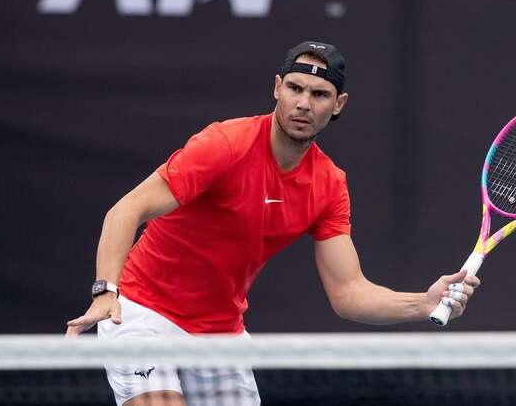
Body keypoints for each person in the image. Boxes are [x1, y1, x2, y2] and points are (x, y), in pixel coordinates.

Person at [66, 41, 481, 406]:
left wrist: (423, 303)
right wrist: (106, 291)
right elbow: (125, 211)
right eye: (296, 88)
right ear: (277, 88)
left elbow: (349, 293)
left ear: (338, 105)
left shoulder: (328, 185)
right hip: (142, 312)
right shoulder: (223, 145)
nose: (304, 103)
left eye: (320, 94)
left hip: (220, 334)